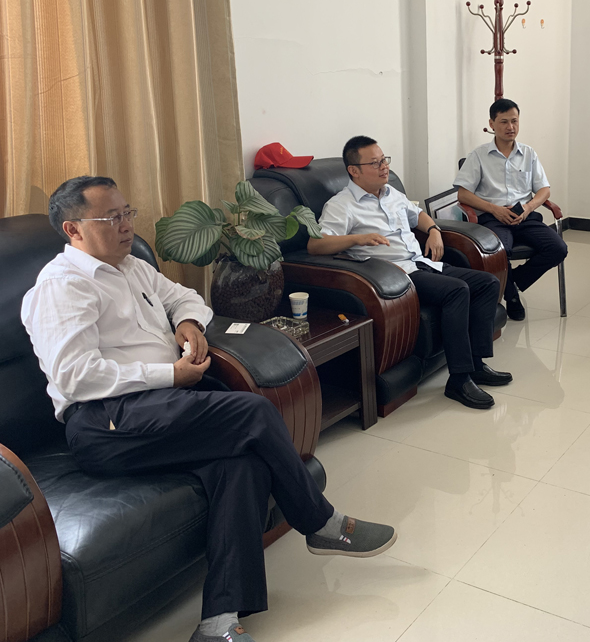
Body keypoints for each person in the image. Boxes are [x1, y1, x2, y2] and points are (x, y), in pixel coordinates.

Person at [21, 176, 397, 642]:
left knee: (239, 464)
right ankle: (321, 522)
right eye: (111, 217)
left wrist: (188, 324)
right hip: (105, 421)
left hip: (163, 405)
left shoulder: (131, 267)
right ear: (73, 229)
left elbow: (186, 297)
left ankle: (218, 622)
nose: (126, 226)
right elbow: (75, 376)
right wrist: (170, 374)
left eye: (127, 213)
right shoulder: (62, 287)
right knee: (254, 413)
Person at [310, 135, 511, 409]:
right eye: (375, 163)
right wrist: (357, 238)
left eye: (384, 160)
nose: (384, 167)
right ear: (354, 171)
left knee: (486, 283)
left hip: (422, 263)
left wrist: (434, 231)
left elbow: (419, 215)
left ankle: (476, 364)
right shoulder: (342, 205)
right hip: (397, 276)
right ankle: (459, 379)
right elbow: (316, 245)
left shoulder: (391, 193)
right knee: (457, 291)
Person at [454, 98, 568, 321]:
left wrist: (528, 207)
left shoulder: (528, 153)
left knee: (558, 248)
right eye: (504, 122)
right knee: (499, 251)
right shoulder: (478, 156)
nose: (510, 127)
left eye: (514, 121)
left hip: (525, 216)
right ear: (492, 124)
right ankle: (512, 298)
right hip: (493, 217)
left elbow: (544, 189)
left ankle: (512, 282)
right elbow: (463, 194)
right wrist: (494, 209)